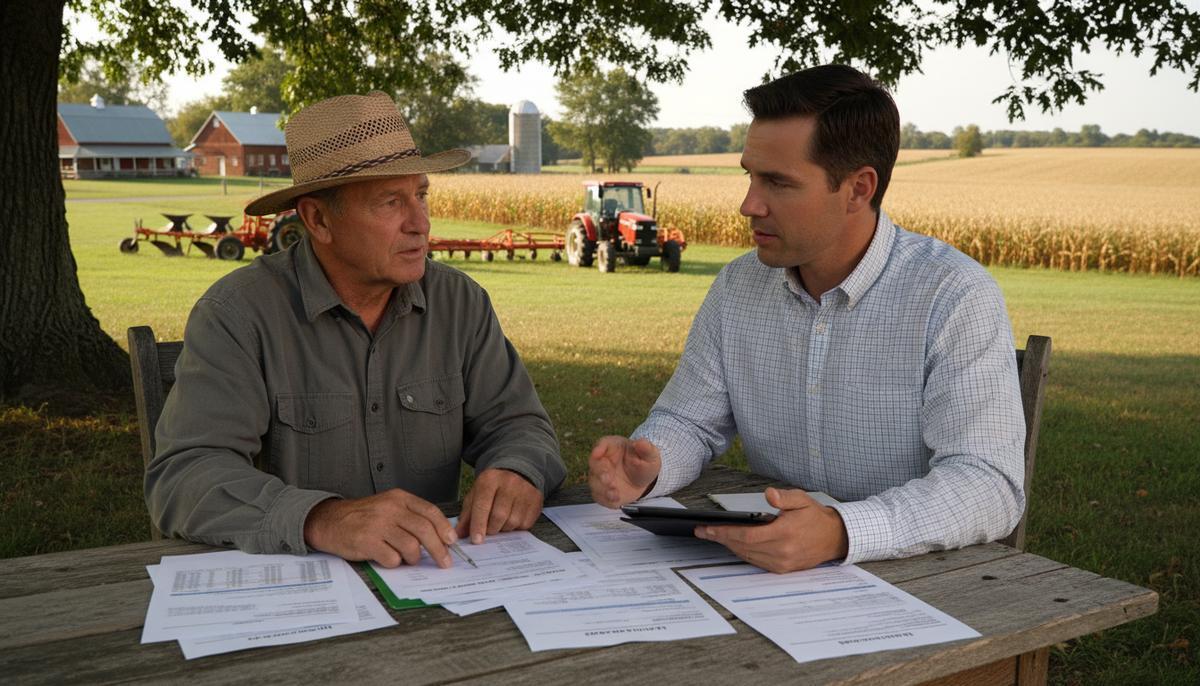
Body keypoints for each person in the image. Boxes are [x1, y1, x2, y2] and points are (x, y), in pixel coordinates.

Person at [589, 65, 1026, 573]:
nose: (748, 204)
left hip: (922, 575)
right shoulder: (737, 287)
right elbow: (689, 420)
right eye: (750, 176)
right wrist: (652, 463)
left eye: (777, 182)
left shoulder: (952, 296)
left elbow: (988, 483)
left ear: (859, 188)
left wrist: (843, 532)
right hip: (767, 574)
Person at [146, 91, 565, 569]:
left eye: (421, 194)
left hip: (438, 584)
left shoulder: (460, 303)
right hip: (303, 603)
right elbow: (183, 476)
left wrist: (518, 469)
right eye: (390, 202)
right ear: (318, 219)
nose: (421, 223)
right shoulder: (239, 315)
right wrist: (324, 519)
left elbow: (520, 425)